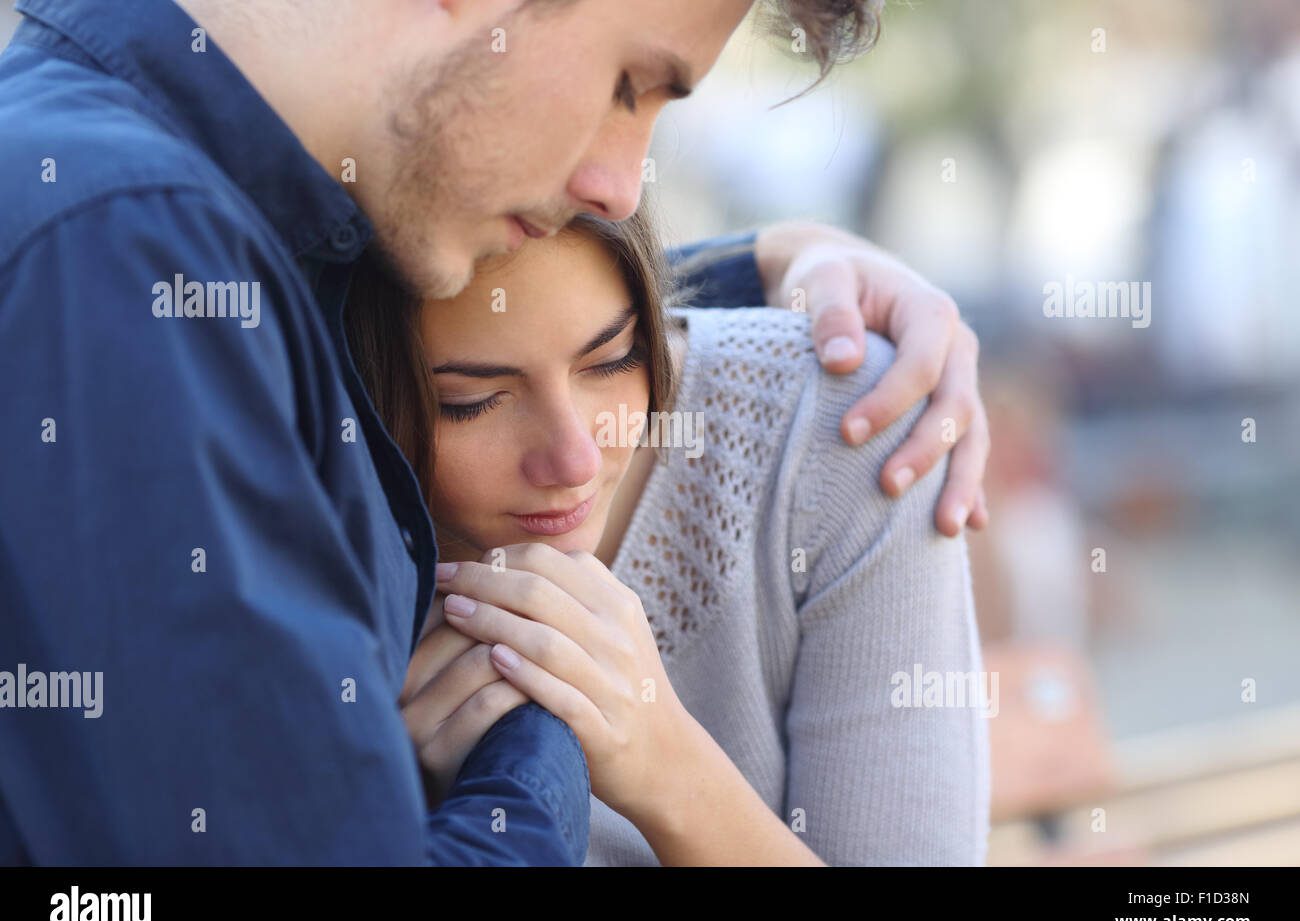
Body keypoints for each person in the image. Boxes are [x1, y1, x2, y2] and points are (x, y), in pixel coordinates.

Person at [0, 0, 987, 864]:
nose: (621, 185)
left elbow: (444, 306)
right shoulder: (128, 261)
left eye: (612, 352)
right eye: (628, 84)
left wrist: (770, 266)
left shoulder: (184, 225)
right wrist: (544, 717)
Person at [368, 207, 989, 865]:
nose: (577, 458)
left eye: (612, 359)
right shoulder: (312, 542)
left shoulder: (843, 430)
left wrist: (667, 770)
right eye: (471, 401)